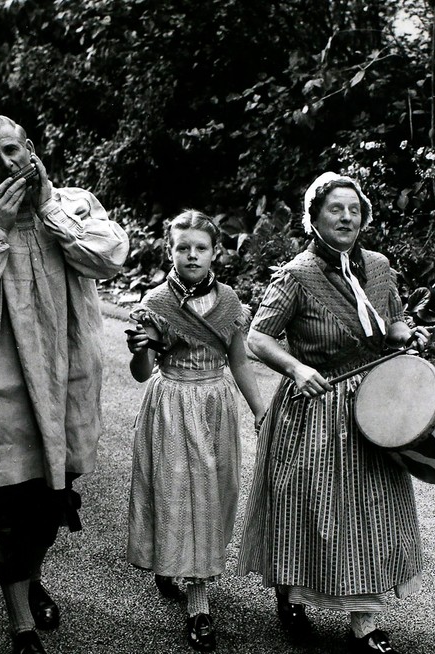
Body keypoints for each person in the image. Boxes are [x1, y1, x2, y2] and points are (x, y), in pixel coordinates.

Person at [0, 115, 129, 654]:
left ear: (31, 147)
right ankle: (20, 622)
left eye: (12, 151)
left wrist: (46, 209)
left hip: (68, 380)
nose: (6, 165)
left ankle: (29, 574)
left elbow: (110, 259)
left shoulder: (74, 203)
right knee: (10, 505)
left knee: (50, 504)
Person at [238, 172, 431, 654]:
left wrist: (406, 334)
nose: (347, 217)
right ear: (314, 217)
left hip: (375, 407)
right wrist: (296, 366)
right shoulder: (296, 275)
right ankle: (291, 595)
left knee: (374, 510)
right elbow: (257, 338)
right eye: (335, 209)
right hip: (317, 408)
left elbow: (392, 319)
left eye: (354, 209)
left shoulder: (380, 267)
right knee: (308, 509)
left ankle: (364, 622)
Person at [125, 210, 266, 652]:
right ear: (170, 250)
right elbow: (142, 372)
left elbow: (240, 362)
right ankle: (198, 604)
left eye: (200, 247)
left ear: (214, 253)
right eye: (182, 247)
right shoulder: (156, 302)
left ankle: (185, 569)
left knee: (211, 495)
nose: (191, 254)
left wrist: (261, 412)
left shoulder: (229, 302)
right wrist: (141, 349)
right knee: (173, 491)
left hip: (214, 404)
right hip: (170, 402)